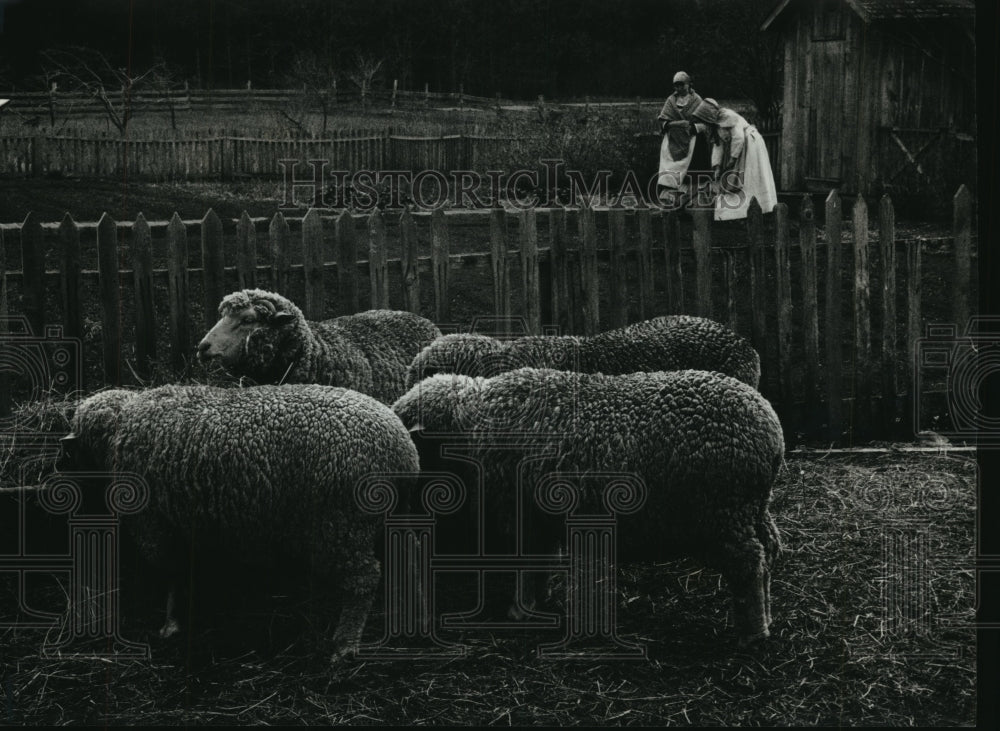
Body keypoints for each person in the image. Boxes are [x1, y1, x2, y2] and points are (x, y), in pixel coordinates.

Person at [706, 101, 778, 221]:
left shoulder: (728, 116)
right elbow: (718, 146)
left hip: (750, 144)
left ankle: (759, 211)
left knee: (751, 178)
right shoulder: (715, 125)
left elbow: (738, 137)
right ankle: (737, 214)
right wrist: (717, 166)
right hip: (743, 146)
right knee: (739, 179)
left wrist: (732, 159)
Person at [656, 71, 718, 208]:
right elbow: (663, 120)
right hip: (673, 141)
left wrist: (693, 128)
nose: (678, 88)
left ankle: (693, 202)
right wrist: (672, 126)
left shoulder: (697, 100)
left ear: (689, 84)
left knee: (693, 174)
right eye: (676, 85)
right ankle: (672, 201)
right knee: (672, 170)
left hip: (693, 142)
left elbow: (706, 123)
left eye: (681, 85)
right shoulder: (671, 101)